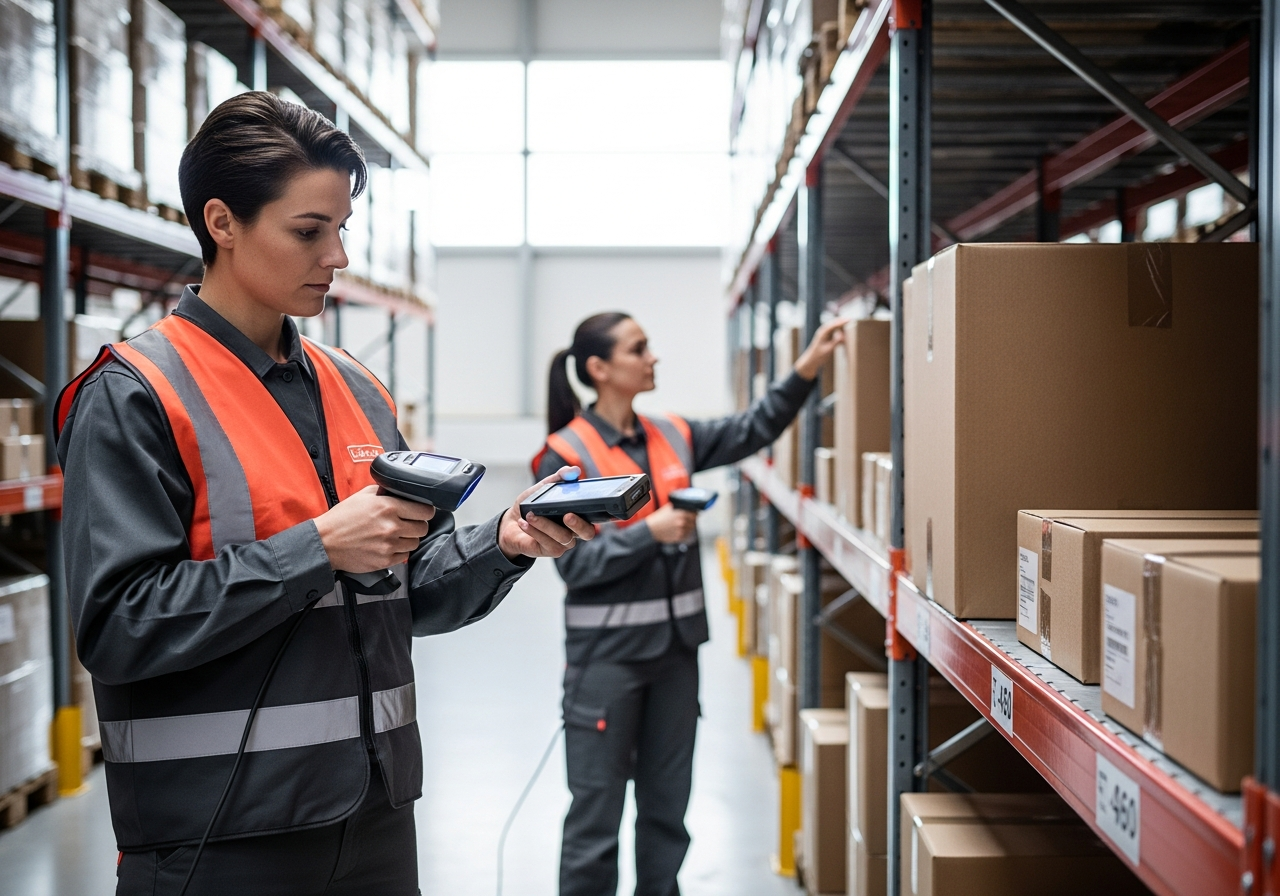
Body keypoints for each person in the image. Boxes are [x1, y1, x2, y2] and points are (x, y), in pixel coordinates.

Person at [54, 92, 594, 896]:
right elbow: (116, 625)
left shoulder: (357, 388)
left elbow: (403, 590)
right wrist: (316, 549)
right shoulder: (136, 393)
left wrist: (503, 541)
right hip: (220, 837)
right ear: (222, 222)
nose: (336, 256)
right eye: (309, 231)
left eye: (341, 229)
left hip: (374, 818)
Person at [532, 311, 846, 896]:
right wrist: (648, 534)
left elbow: (753, 427)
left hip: (676, 656)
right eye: (638, 349)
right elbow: (574, 565)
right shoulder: (565, 456)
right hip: (607, 663)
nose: (652, 358)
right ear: (599, 369)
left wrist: (806, 369)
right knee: (595, 822)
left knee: (666, 815)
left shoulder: (672, 433)